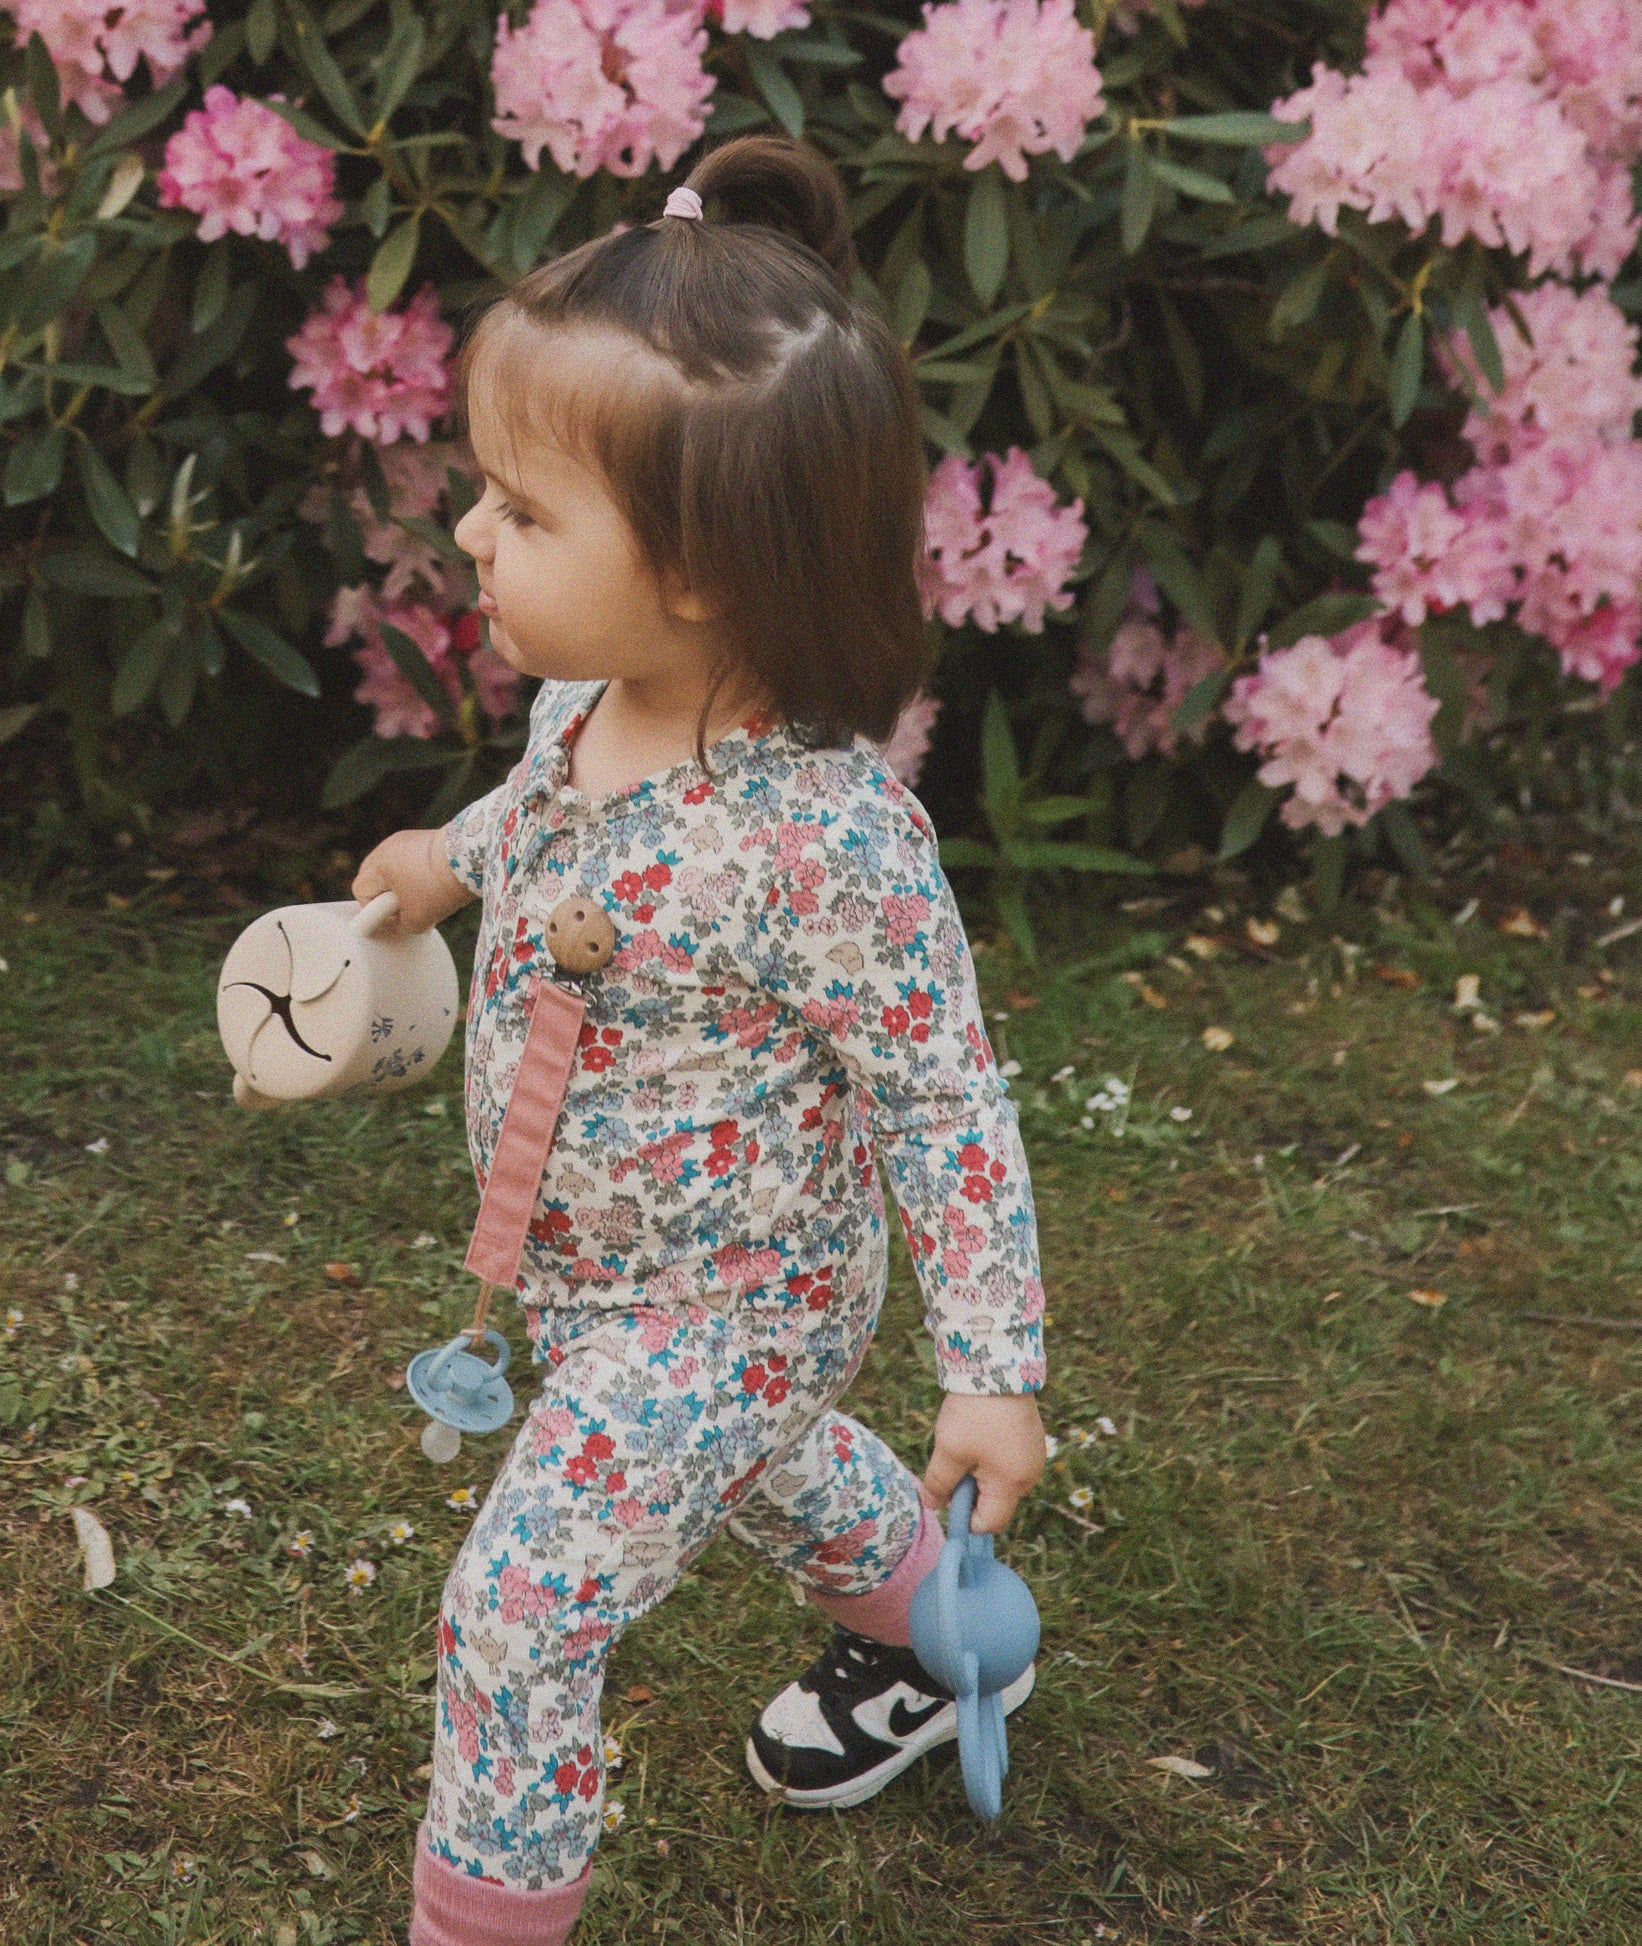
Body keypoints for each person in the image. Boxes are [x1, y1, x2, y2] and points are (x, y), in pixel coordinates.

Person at [351, 132, 1049, 1946]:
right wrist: (448, 861)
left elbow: (942, 1100)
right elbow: (542, 815)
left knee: (522, 1611)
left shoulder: (827, 843)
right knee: (772, 1466)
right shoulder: (589, 702)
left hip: (733, 1298)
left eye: (523, 511)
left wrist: (991, 1367)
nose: (470, 532)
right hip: (591, 1267)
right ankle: (958, 1638)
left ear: (704, 567)